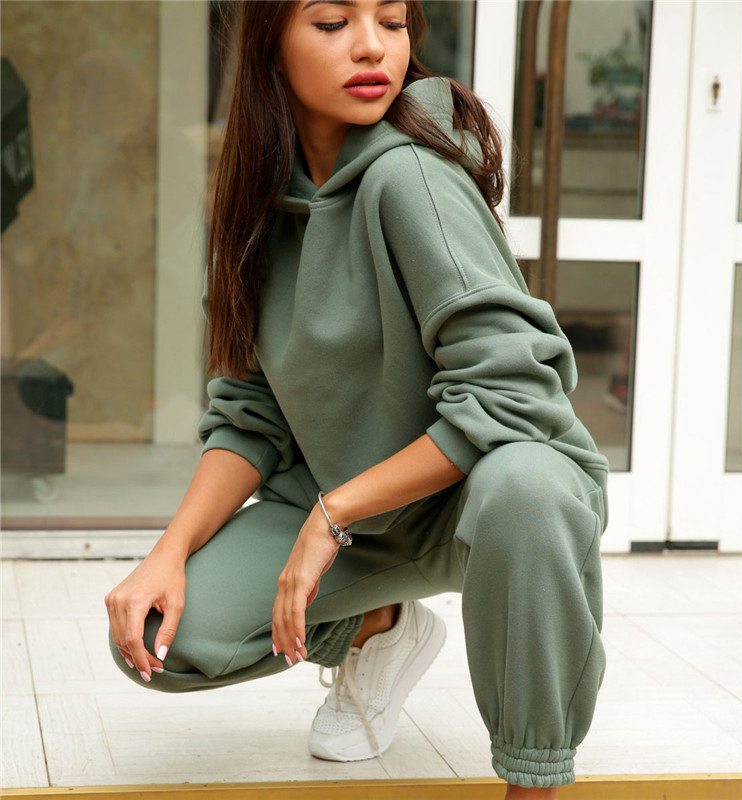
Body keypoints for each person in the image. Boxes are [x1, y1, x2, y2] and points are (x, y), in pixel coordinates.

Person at [105, 2, 610, 796]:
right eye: (333, 23)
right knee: (163, 636)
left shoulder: (413, 177)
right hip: (360, 513)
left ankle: (534, 782)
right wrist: (165, 554)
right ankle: (380, 622)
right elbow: (250, 415)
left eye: (392, 22)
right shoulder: (255, 205)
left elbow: (511, 391)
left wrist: (331, 516)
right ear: (272, 45)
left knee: (526, 491)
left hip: (479, 493)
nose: (372, 47)